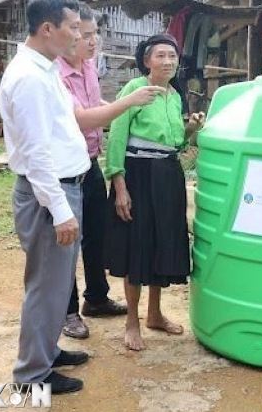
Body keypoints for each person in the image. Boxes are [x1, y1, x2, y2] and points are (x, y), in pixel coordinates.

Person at [0, 0, 90, 394]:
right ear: (48, 28)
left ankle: (46, 350)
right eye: (72, 27)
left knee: (57, 282)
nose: (77, 34)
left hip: (64, 189)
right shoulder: (29, 78)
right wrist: (60, 210)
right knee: (46, 285)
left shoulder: (46, 68)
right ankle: (31, 374)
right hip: (49, 197)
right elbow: (36, 154)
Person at [56, 4, 162, 339]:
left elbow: (97, 106)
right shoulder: (57, 75)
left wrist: (127, 115)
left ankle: (97, 298)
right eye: (84, 34)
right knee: (68, 242)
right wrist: (128, 103)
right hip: (62, 168)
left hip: (88, 163)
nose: (92, 40)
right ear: (68, 35)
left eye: (94, 33)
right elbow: (82, 118)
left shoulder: (87, 67)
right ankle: (68, 311)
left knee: (97, 235)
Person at [104, 34, 205, 351]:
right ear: (146, 61)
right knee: (137, 245)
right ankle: (131, 321)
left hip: (167, 174)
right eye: (160, 55)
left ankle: (155, 314)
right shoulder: (134, 90)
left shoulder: (175, 96)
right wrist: (119, 184)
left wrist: (191, 129)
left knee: (163, 242)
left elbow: (177, 145)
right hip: (138, 174)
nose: (168, 61)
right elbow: (117, 136)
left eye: (172, 56)